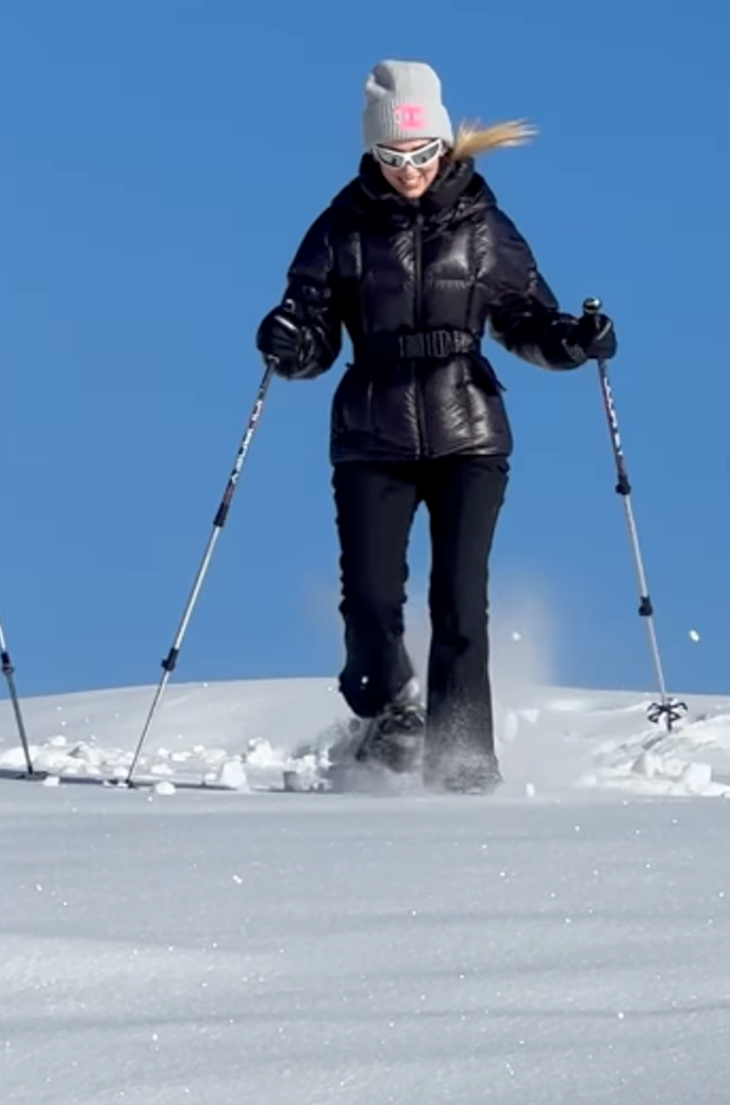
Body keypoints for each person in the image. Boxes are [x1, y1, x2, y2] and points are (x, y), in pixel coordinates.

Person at [255, 60, 615, 794]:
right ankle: (387, 713)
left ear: (444, 147)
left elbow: (526, 320)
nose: (408, 171)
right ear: (373, 153)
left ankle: (462, 766)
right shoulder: (340, 227)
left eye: (420, 155)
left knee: (458, 597)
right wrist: (289, 342)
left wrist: (573, 340)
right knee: (370, 599)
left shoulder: (484, 226)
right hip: (371, 434)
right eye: (392, 157)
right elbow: (313, 337)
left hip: (468, 432)